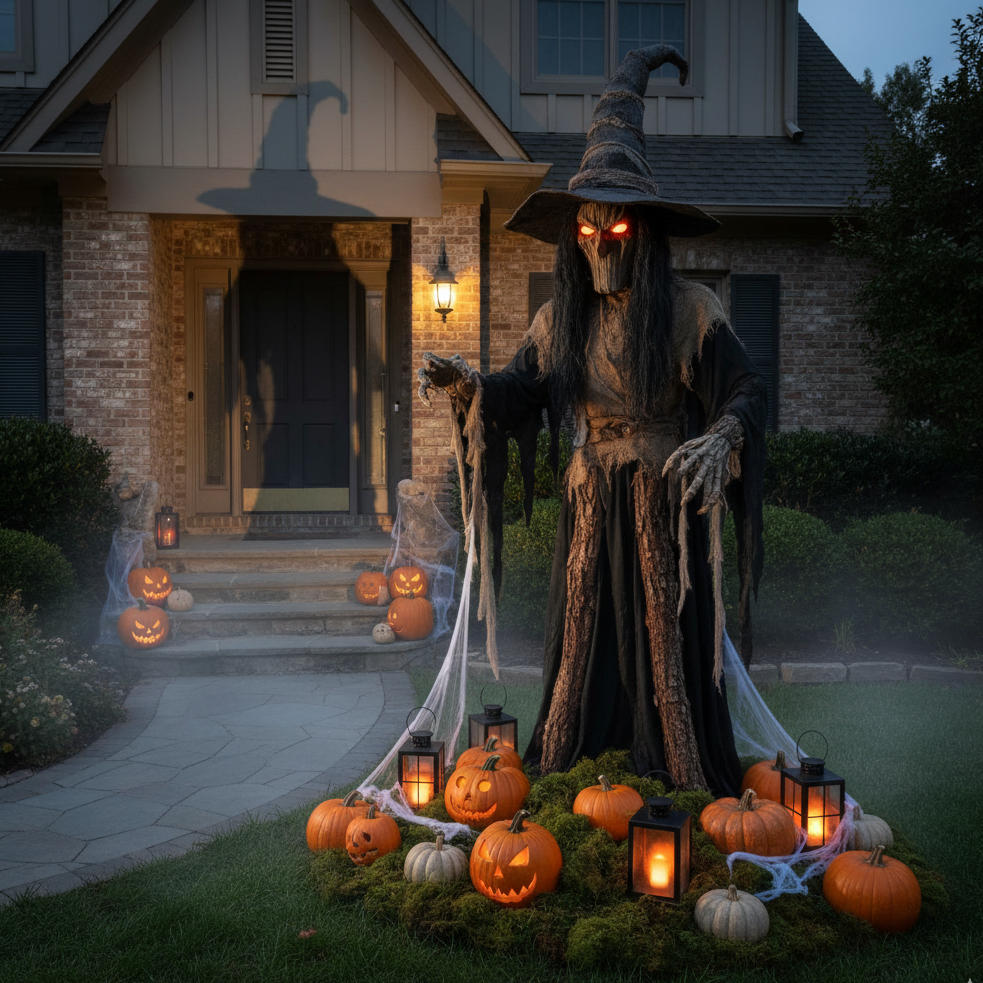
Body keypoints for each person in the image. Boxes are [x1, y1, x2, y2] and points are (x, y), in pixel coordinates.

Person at [419, 46, 766, 796]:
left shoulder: (687, 314)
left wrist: (721, 435)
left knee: (663, 641)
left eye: (614, 236)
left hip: (663, 498)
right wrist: (471, 386)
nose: (599, 249)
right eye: (585, 234)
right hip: (589, 497)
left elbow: (743, 388)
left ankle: (678, 766)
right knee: (584, 631)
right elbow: (519, 391)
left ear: (643, 234)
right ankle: (572, 758)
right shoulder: (558, 321)